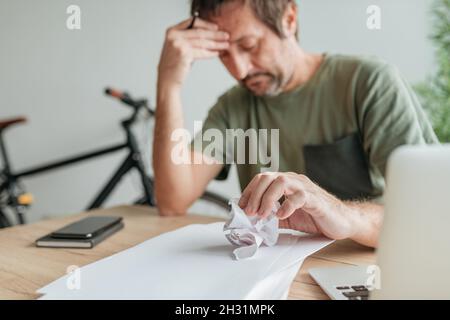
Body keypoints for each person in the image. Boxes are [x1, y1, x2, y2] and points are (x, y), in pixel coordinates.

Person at [153, 0, 438, 248]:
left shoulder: (367, 83)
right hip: (272, 275)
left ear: (289, 19)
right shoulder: (233, 108)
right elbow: (172, 200)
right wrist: (169, 84)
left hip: (359, 267)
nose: (239, 70)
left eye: (249, 45)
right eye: (223, 54)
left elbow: (431, 211)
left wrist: (340, 214)